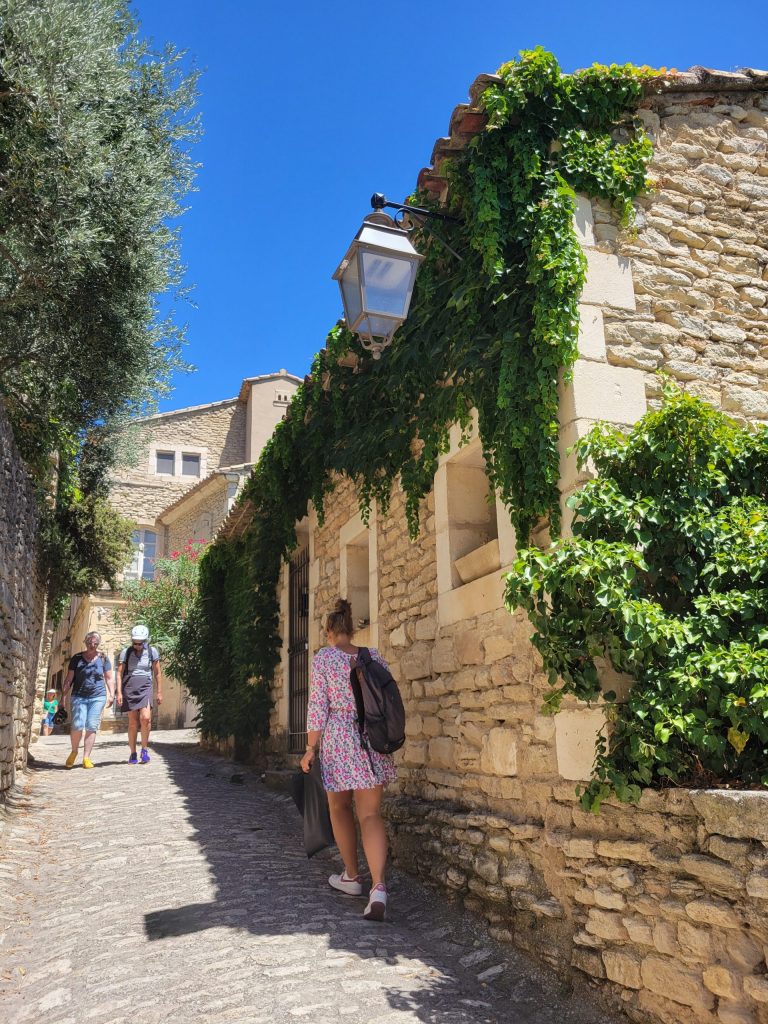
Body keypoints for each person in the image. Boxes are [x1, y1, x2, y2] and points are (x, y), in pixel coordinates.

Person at [300, 598, 396, 921]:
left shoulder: (324, 659)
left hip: (340, 741)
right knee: (370, 815)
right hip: (373, 742)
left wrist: (311, 749)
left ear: (329, 631)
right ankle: (379, 887)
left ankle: (352, 876)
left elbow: (317, 709)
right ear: (351, 629)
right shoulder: (373, 656)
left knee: (339, 806)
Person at [61, 631, 114, 768]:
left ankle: (86, 758)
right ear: (85, 642)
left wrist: (112, 695)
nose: (92, 645)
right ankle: (74, 752)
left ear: (98, 644)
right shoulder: (77, 658)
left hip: (98, 696)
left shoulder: (103, 658)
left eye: (95, 643)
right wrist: (63, 696)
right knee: (77, 725)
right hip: (79, 696)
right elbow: (69, 678)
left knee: (91, 725)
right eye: (90, 642)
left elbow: (108, 678)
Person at [116, 625, 162, 764]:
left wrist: (159, 691)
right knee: (133, 722)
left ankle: (144, 749)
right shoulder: (126, 652)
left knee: (146, 718)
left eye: (140, 643)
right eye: (134, 643)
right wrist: (119, 692)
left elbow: (157, 673)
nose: (137, 645)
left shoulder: (152, 651)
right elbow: (119, 673)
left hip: (146, 686)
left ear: (146, 640)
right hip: (130, 686)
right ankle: (133, 753)